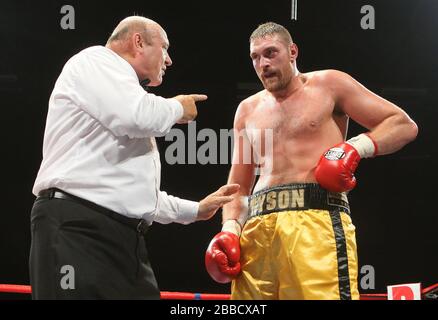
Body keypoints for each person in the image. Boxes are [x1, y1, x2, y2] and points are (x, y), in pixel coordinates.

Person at [30, 16, 239, 299]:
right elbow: (136, 116)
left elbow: (138, 195)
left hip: (125, 239)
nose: (169, 60)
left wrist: (196, 210)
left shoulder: (122, 97)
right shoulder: (94, 61)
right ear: (138, 42)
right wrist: (178, 107)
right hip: (77, 229)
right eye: (164, 48)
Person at [205, 22, 418, 300]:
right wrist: (230, 229)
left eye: (271, 53)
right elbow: (238, 187)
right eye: (255, 57)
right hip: (257, 232)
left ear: (292, 51)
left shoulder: (329, 84)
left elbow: (402, 124)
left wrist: (352, 149)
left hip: (316, 223)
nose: (263, 64)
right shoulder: (246, 110)